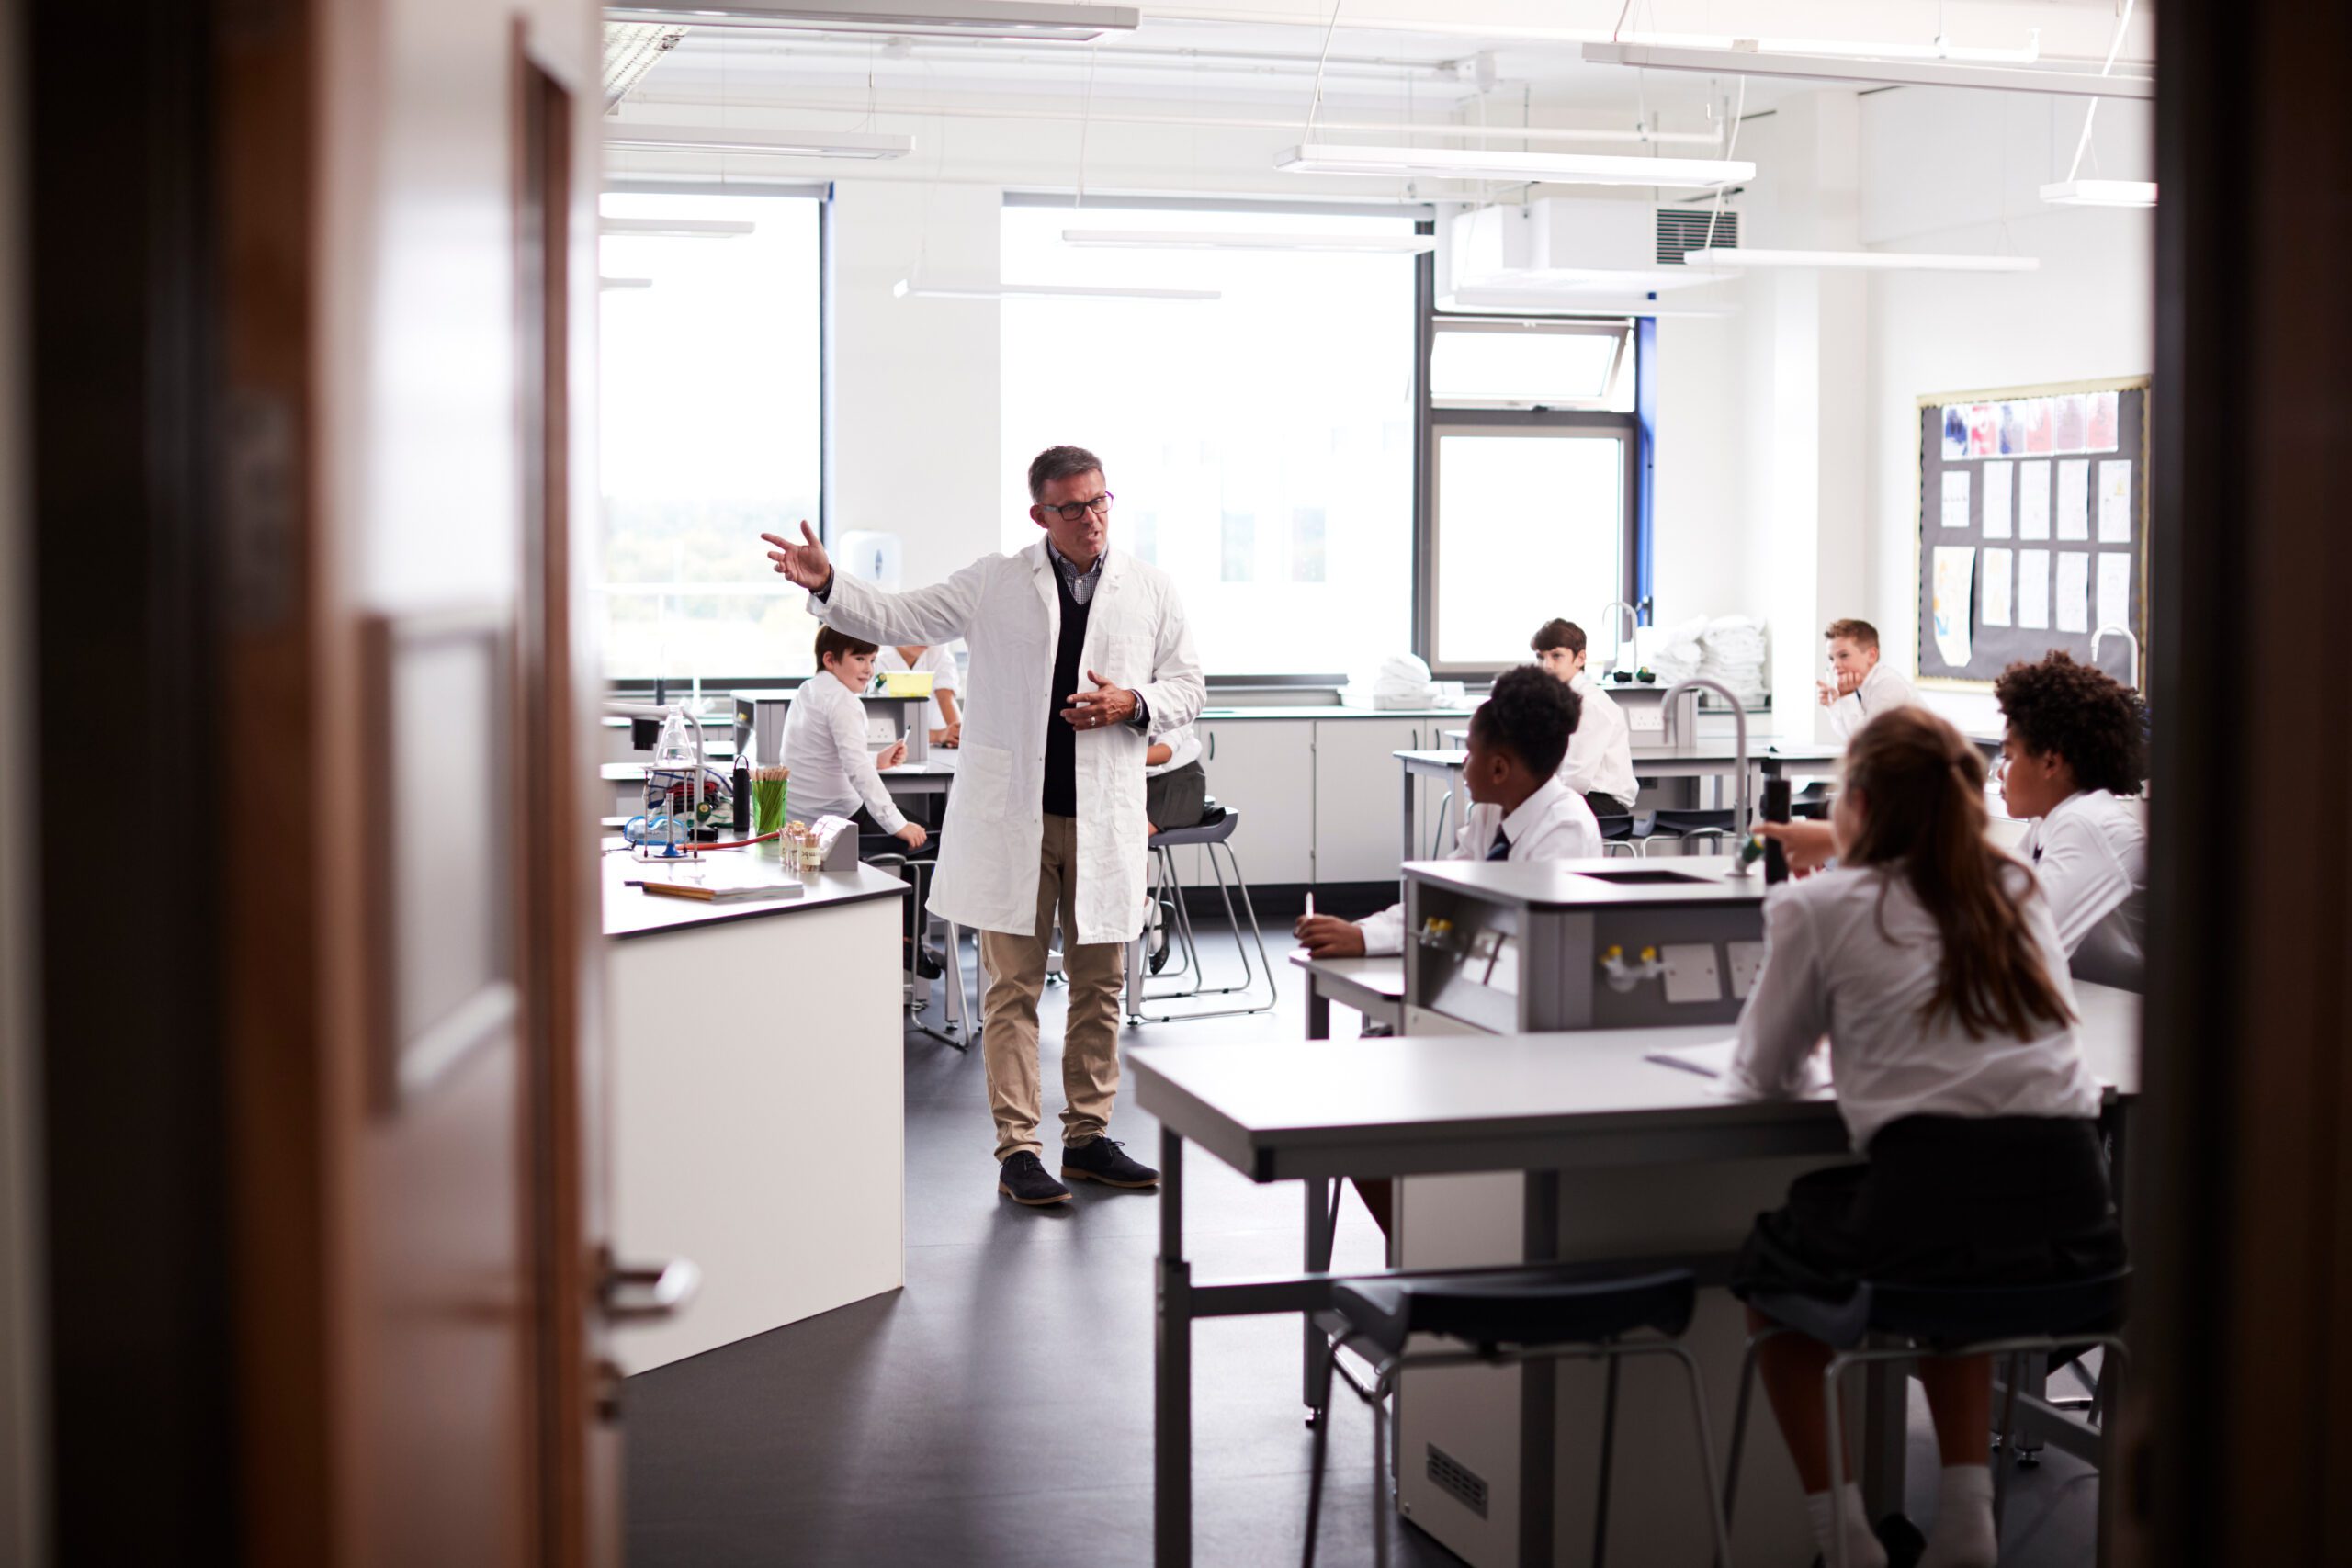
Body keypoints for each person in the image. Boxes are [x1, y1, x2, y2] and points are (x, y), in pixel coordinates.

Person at [1727, 707, 2124, 1568]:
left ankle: (1843, 1540)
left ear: (1857, 803)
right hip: (2075, 1223)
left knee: (1768, 1276)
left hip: (1925, 1211)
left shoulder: (1817, 904)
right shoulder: (2013, 887)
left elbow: (1760, 1075)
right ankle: (1965, 1519)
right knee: (1964, 1274)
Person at [763, 445, 1204, 1209]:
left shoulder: (1152, 589)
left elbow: (1188, 686)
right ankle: (1019, 1147)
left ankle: (1090, 1135)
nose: (1092, 517)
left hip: (1102, 816)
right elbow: (900, 614)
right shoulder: (997, 581)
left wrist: (1132, 704)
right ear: (1040, 514)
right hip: (1016, 819)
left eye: (1101, 501)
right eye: (1072, 506)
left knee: (1100, 986)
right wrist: (830, 583)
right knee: (1014, 987)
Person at [1295, 666, 1601, 961]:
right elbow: (1442, 899)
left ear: (1498, 769)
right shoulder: (1490, 813)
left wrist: (1367, 941)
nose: (1464, 762)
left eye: (1471, 752)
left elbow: (1511, 934)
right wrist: (1361, 932)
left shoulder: (1563, 828)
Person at [1994, 651, 2149, 990]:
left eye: (2008, 756)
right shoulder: (2049, 824)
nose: (1999, 772)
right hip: (2096, 997)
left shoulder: (2088, 822)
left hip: (2134, 1013)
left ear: (2050, 763)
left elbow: (2018, 947)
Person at [779, 626, 926, 852]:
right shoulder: (843, 701)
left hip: (799, 817)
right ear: (829, 660)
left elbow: (821, 754)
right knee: (929, 840)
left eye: (872, 659)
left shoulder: (807, 691)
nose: (869, 669)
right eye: (859, 658)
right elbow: (859, 771)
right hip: (839, 817)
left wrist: (877, 759)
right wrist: (898, 824)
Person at [1531, 617, 1636, 818]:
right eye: (1540, 657)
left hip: (1604, 803)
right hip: (1576, 796)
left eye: (1556, 656)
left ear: (1580, 659)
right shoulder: (1556, 698)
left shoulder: (1589, 704)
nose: (1547, 665)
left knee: (1524, 812)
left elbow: (1576, 779)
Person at [1818, 618, 1919, 740]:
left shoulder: (1888, 685)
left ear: (1871, 655)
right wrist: (1834, 705)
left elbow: (1868, 741)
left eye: (1843, 655)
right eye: (1831, 658)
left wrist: (1847, 697)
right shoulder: (1857, 686)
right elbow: (1850, 737)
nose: (1835, 665)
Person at [875, 641, 963, 748]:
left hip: (940, 746)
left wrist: (957, 735)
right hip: (895, 747)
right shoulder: (879, 658)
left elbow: (945, 697)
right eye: (916, 632)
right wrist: (937, 735)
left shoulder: (938, 652)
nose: (924, 639)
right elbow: (888, 728)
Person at [1144, 722, 1206, 833]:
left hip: (1178, 781)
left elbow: (1164, 752)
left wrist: (1111, 758)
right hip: (1140, 779)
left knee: (1127, 836)